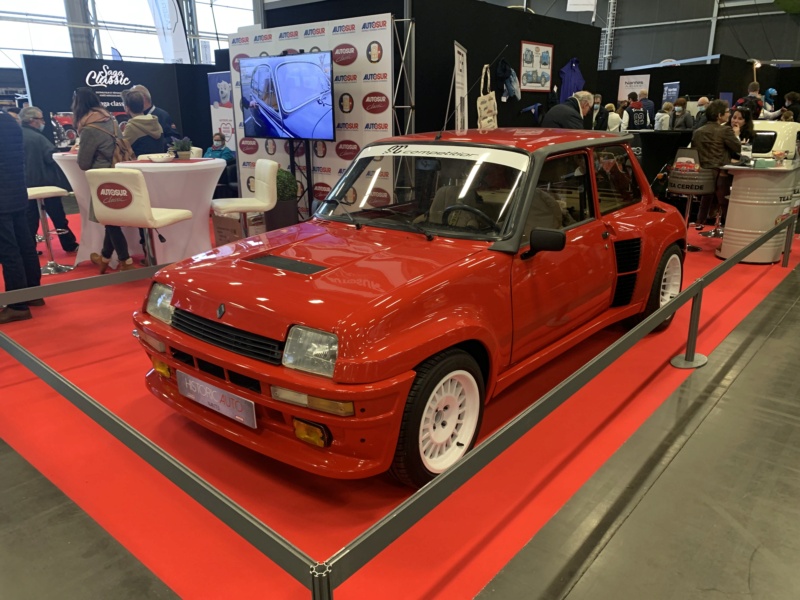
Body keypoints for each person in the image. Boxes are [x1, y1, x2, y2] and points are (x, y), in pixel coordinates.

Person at [72, 87, 135, 273]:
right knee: (111, 219)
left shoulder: (89, 129)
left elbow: (83, 163)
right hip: (120, 173)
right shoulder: (111, 120)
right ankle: (105, 257)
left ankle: (126, 261)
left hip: (102, 178)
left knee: (109, 220)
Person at [0, 110, 43, 324]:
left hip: (2, 197)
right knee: (25, 244)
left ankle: (17, 304)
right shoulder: (9, 120)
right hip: (16, 192)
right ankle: (33, 293)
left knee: (9, 250)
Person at [18, 106, 80, 254]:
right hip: (45, 182)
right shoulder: (39, 138)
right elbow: (51, 157)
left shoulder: (17, 135)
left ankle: (29, 249)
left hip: (25, 184)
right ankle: (69, 244)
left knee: (29, 220)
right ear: (32, 120)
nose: (43, 122)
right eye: (40, 119)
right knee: (58, 216)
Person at [691, 99, 741, 229]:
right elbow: (738, 148)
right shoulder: (725, 131)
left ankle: (700, 220)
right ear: (719, 115)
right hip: (720, 174)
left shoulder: (698, 131)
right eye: (726, 112)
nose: (729, 114)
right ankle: (729, 225)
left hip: (701, 175)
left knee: (710, 192)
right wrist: (736, 135)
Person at [120, 89, 165, 156]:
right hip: (159, 164)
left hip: (139, 165)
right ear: (143, 105)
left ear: (127, 108)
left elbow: (122, 148)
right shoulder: (155, 122)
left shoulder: (131, 127)